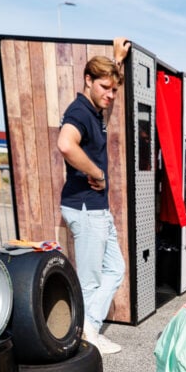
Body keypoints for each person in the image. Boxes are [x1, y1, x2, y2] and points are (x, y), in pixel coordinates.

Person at [57, 38, 131, 355]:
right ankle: (87, 335)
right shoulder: (80, 112)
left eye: (114, 89)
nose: (110, 95)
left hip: (96, 209)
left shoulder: (93, 108)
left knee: (115, 269)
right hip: (86, 209)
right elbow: (65, 144)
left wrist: (117, 60)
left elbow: (110, 92)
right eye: (104, 87)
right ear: (87, 80)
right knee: (90, 280)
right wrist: (97, 173)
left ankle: (88, 328)